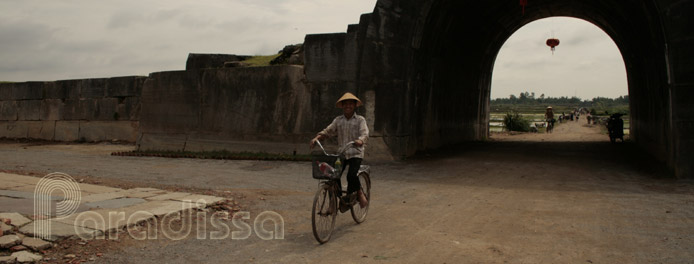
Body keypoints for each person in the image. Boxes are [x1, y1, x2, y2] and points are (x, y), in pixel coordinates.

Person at [310, 92, 369, 209]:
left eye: (350, 104)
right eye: (345, 104)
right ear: (342, 106)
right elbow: (328, 131)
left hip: (355, 153)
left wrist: (361, 140)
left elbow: (365, 133)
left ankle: (359, 193)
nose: (348, 106)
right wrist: (317, 138)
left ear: (355, 105)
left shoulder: (360, 120)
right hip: (342, 153)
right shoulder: (338, 120)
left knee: (351, 175)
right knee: (333, 176)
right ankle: (335, 201)